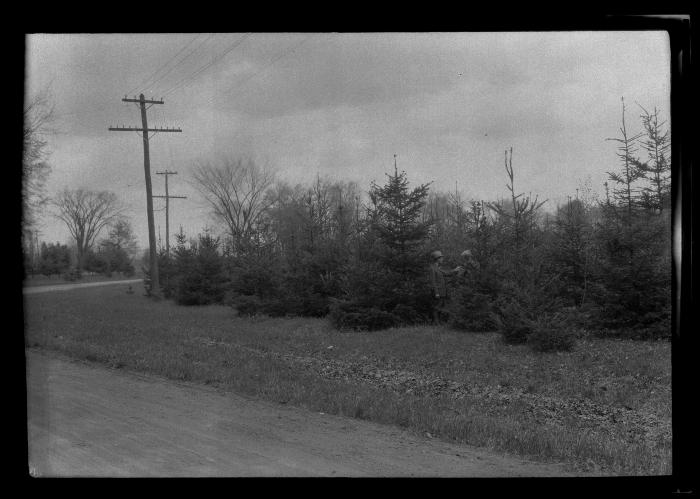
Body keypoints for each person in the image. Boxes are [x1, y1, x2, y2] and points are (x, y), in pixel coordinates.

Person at [428, 250, 462, 324]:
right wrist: (436, 293)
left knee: (440, 307)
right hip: (438, 292)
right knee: (437, 307)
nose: (442, 259)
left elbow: (447, 273)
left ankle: (438, 322)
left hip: (442, 291)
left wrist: (455, 270)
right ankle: (436, 323)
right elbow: (432, 282)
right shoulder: (432, 268)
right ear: (437, 259)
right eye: (441, 258)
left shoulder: (438, 268)